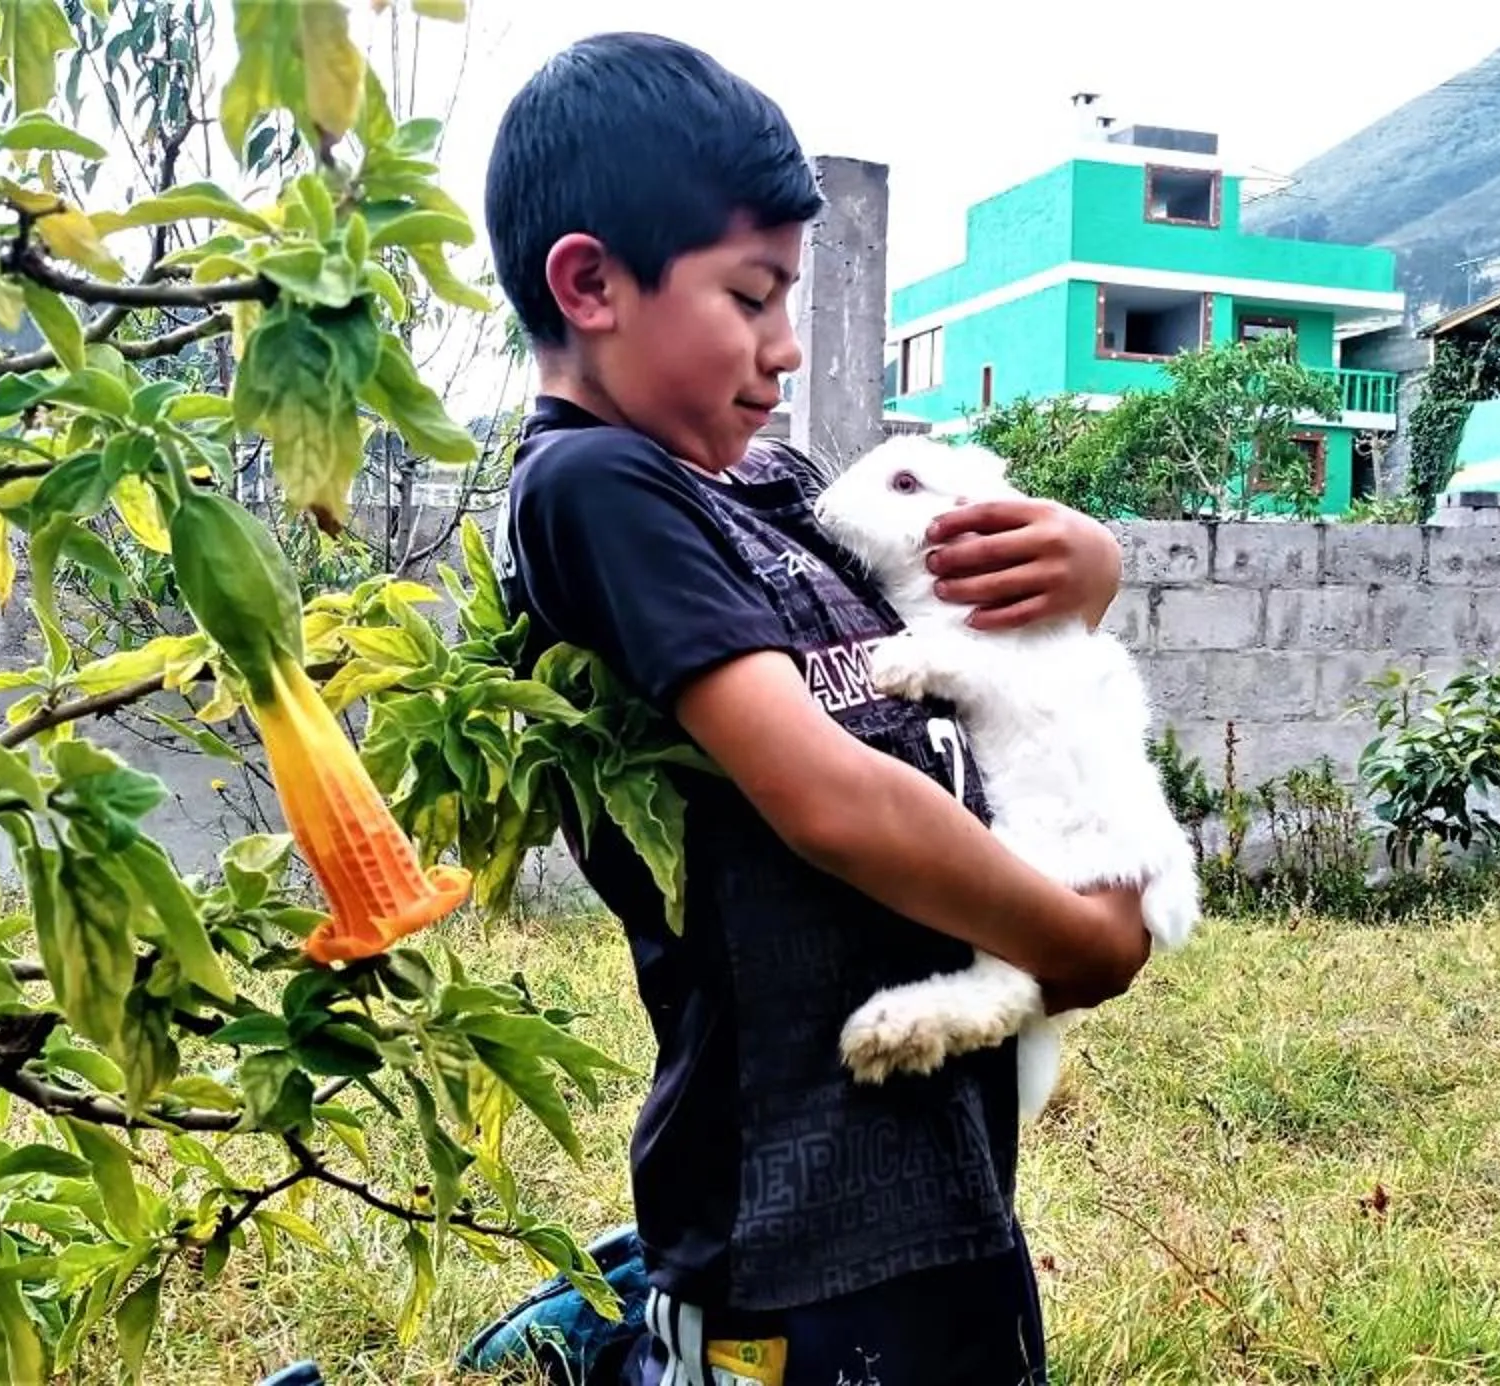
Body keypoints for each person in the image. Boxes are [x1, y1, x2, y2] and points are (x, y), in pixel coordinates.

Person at [457, 32, 1153, 1386]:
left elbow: (967, 671)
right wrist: (1073, 943)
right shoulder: (588, 486)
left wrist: (1086, 575)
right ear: (591, 283)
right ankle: (617, 1343)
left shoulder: (772, 489)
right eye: (751, 294)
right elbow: (826, 794)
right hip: (790, 1208)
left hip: (940, 1168)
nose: (785, 348)